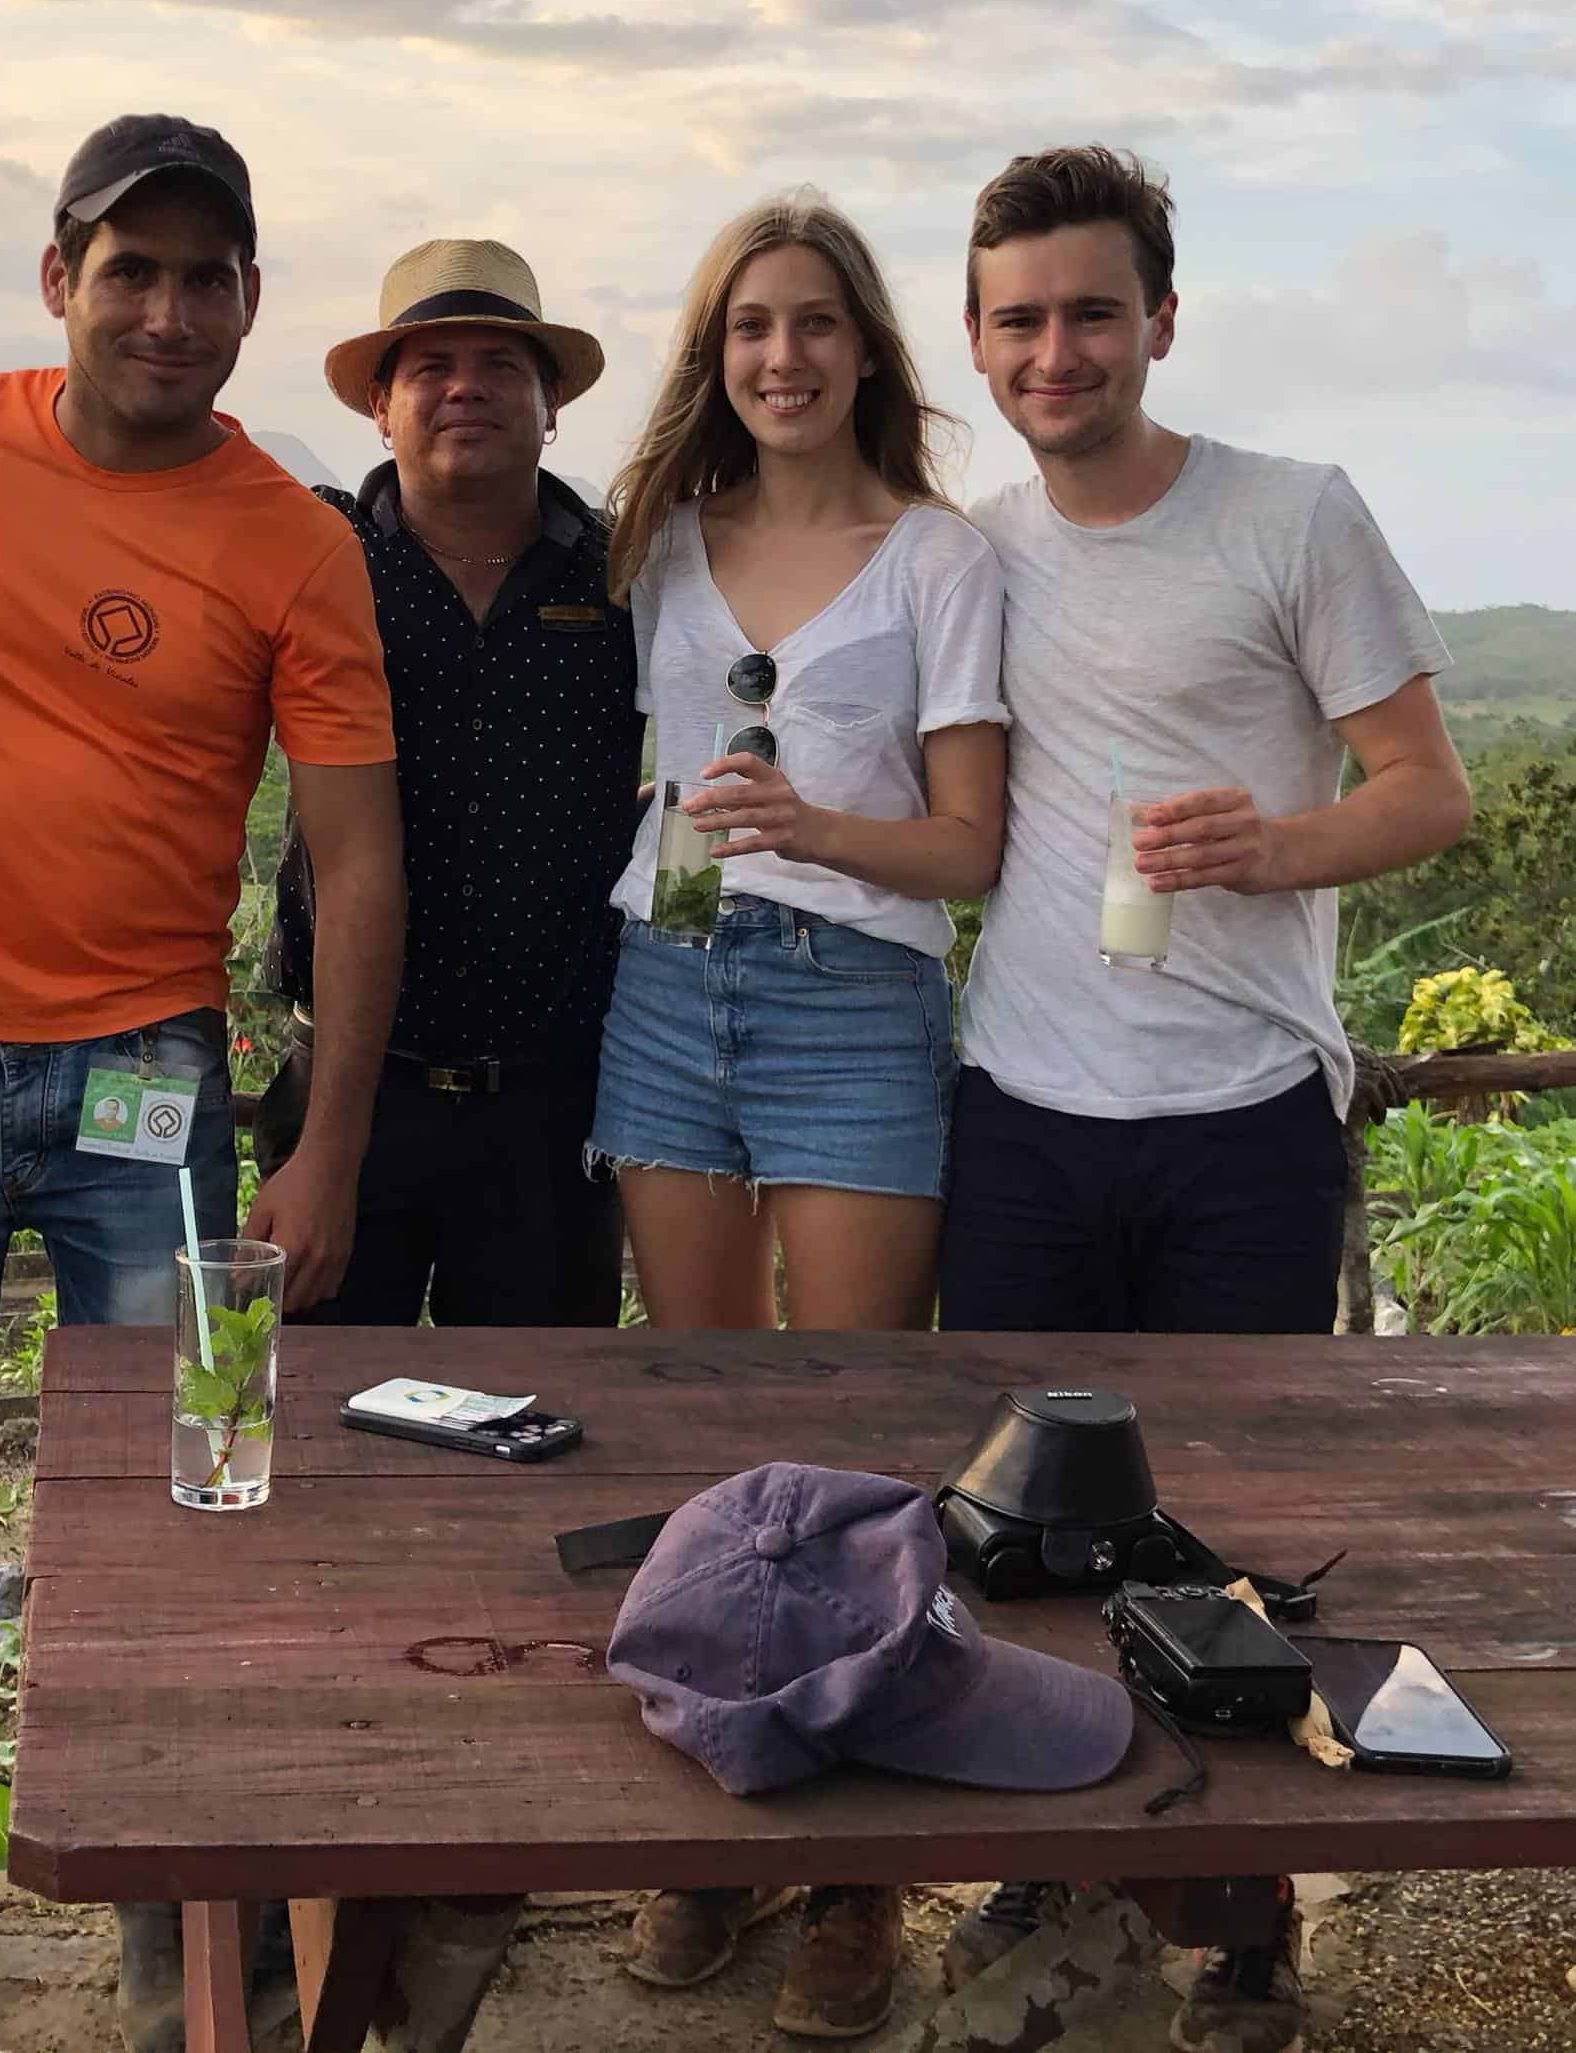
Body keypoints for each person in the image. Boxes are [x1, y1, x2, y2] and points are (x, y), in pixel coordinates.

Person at [0, 116, 405, 2041]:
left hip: (152, 1083)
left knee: (199, 1487)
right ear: (61, 281)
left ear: (253, 306)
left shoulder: (296, 540)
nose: (170, 311)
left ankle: (166, 1896)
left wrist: (329, 1139)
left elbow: (354, 859)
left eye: (209, 278)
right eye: (132, 270)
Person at [937, 144, 1470, 2053]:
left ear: (1162, 321)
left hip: (1244, 1101)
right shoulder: (978, 545)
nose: (1056, 349)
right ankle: (1054, 1845)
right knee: (1018, 1527)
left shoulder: (1291, 516)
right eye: (1020, 319)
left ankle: (1238, 1906)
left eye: (1092, 312)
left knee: (1233, 1524)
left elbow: (1428, 788)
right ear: (979, 341)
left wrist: (1278, 843)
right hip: (1020, 1096)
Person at [592, 191, 1009, 2040]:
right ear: (717, 350)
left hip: (856, 1000)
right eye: (751, 325)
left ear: (866, 347)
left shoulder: (937, 557)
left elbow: (971, 843)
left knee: (852, 1446)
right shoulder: (660, 544)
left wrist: (812, 829)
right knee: (698, 1433)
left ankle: (859, 1889)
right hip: (669, 989)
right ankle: (718, 1837)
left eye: (815, 323)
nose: (783, 356)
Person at [254, 238, 635, 1327]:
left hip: (552, 1106)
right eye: (430, 366)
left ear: (550, 402)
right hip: (347, 1090)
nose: (465, 387)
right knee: (318, 1432)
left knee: (538, 1438)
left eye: (500, 364)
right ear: (380, 405)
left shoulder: (624, 577)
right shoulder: (313, 555)